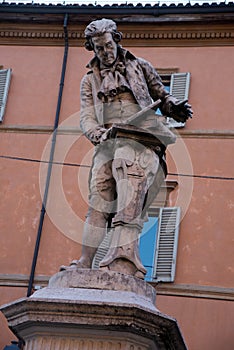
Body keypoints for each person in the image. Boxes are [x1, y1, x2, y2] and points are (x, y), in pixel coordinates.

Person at [61, 18, 192, 278]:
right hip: (107, 141)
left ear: (116, 40)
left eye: (108, 46)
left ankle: (124, 259)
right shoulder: (89, 81)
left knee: (130, 202)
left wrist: (174, 105)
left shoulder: (140, 66)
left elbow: (162, 96)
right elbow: (87, 116)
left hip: (141, 137)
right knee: (99, 202)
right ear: (92, 49)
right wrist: (95, 132)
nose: (105, 52)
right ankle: (85, 261)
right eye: (99, 49)